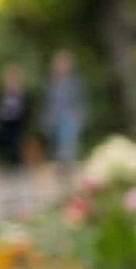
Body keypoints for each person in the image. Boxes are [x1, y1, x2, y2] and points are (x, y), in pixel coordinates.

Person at [40, 50, 89, 178]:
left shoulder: (76, 83)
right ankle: (61, 168)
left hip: (71, 117)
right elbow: (47, 103)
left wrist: (80, 117)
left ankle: (68, 168)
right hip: (55, 118)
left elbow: (81, 101)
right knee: (57, 145)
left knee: (68, 143)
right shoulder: (50, 84)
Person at [0, 63, 30, 170]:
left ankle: (16, 161)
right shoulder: (2, 90)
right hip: (5, 119)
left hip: (18, 119)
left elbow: (26, 105)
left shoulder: (22, 91)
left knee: (16, 140)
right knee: (6, 140)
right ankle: (7, 161)